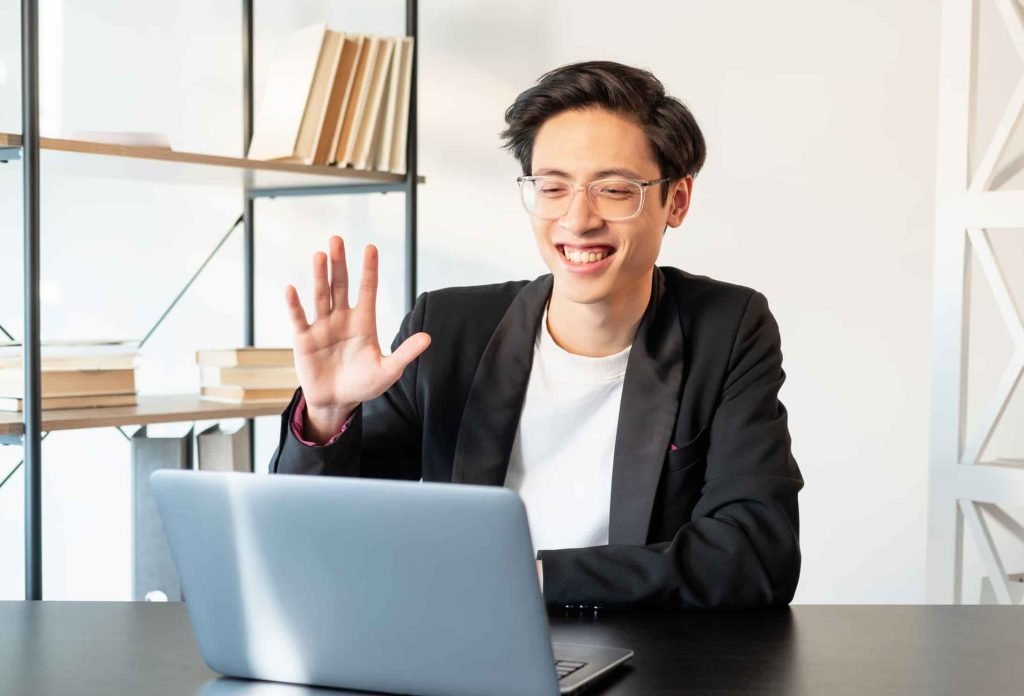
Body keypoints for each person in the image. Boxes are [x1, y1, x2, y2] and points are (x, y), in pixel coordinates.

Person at [271, 60, 803, 609]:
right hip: (466, 651)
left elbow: (757, 555)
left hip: (650, 662)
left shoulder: (727, 328)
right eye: (552, 188)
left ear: (677, 201)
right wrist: (326, 416)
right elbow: (320, 539)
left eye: (614, 190)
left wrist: (525, 578)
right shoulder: (447, 331)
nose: (577, 220)